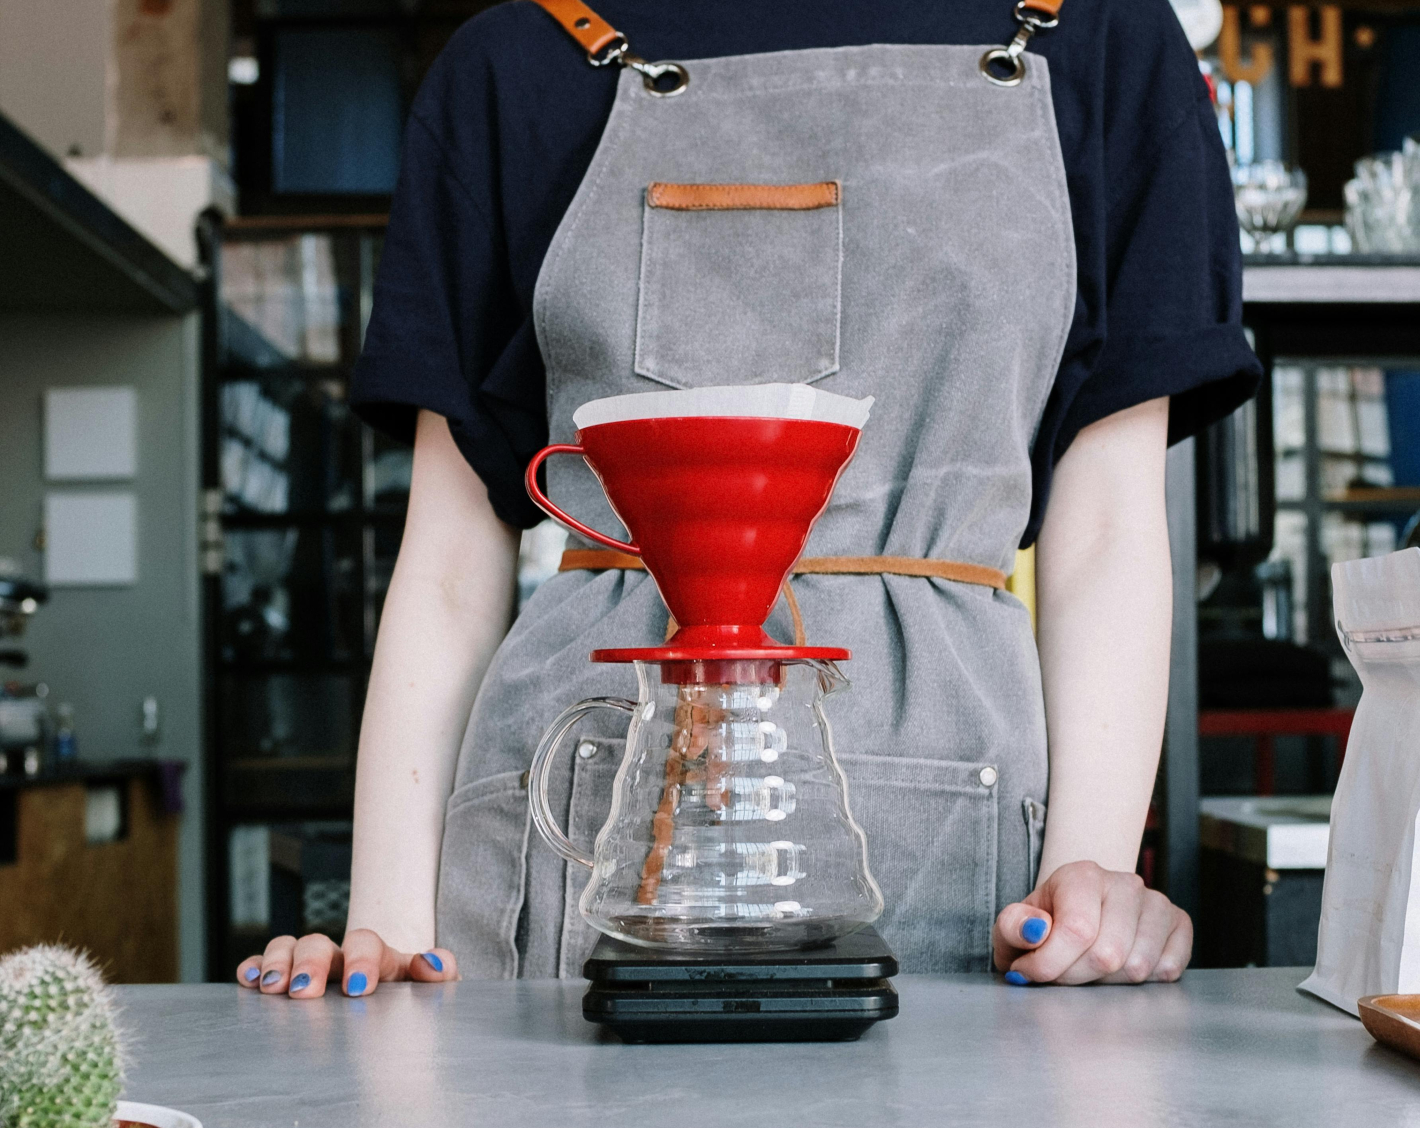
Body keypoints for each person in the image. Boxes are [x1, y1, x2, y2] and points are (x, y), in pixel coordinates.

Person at [236, 0, 1258, 1000]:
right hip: (578, 798)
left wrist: (1084, 887)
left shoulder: (1102, 37)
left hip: (964, 810)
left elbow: (1111, 533)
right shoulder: (518, 55)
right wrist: (390, 939)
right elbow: (453, 565)